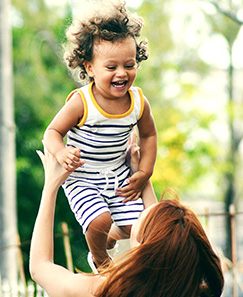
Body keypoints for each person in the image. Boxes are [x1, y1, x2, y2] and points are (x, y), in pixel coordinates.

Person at [43, 0, 157, 269]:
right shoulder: (82, 102)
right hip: (83, 176)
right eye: (111, 67)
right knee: (99, 221)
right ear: (90, 68)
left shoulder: (139, 102)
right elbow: (52, 132)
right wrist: (61, 152)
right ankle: (101, 260)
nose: (121, 73)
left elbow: (149, 136)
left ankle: (109, 237)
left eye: (129, 65)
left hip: (117, 174)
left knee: (136, 228)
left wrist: (144, 173)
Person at [30, 143, 224, 297]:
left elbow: (40, 268)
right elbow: (160, 235)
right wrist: (139, 174)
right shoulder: (200, 290)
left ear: (142, 247)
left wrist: (51, 186)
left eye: (137, 223)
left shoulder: (104, 290)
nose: (138, 214)